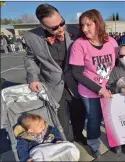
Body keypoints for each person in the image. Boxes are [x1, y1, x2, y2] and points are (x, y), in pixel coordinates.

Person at [23, 4, 86, 145]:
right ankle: (68, 142)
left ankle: (78, 134)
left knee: (79, 113)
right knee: (61, 119)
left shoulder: (76, 31)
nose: (61, 28)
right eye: (54, 28)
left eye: (62, 23)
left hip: (75, 82)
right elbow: (30, 58)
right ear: (43, 26)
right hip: (52, 85)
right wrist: (33, 78)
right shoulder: (31, 37)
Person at [69, 9, 118, 159]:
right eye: (82, 25)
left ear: (98, 23)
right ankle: (94, 144)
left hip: (109, 89)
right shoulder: (79, 44)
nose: (84, 29)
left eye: (88, 24)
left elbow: (116, 66)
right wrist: (99, 89)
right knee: (94, 119)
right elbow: (77, 73)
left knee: (111, 118)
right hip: (90, 91)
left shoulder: (111, 42)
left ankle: (115, 141)